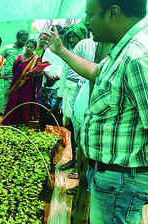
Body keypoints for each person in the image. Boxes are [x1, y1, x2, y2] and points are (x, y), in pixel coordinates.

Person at [42, 0, 148, 222]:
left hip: (122, 181)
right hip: (115, 179)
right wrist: (60, 50)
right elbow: (97, 71)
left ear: (113, 13)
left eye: (90, 14)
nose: (86, 21)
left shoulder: (139, 56)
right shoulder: (125, 48)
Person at [49, 22, 88, 177]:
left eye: (75, 36)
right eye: (70, 36)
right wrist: (59, 99)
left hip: (81, 94)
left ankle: (80, 168)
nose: (72, 39)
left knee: (81, 131)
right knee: (71, 128)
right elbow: (64, 77)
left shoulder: (89, 51)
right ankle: (73, 159)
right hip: (68, 93)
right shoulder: (68, 52)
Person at [2, 39, 43, 126]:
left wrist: (31, 74)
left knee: (24, 104)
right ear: (25, 46)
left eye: (31, 47)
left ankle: (22, 123)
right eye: (27, 46)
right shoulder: (19, 58)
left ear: (35, 48)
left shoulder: (37, 59)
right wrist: (19, 78)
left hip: (28, 86)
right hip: (16, 85)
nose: (29, 49)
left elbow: (41, 73)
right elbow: (14, 71)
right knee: (13, 102)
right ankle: (9, 122)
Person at [0, 30, 29, 113]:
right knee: (5, 99)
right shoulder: (7, 48)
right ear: (17, 38)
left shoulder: (25, 50)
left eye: (26, 40)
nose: (24, 42)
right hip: (8, 79)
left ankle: (11, 121)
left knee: (15, 101)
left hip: (19, 80)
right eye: (23, 40)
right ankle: (2, 120)